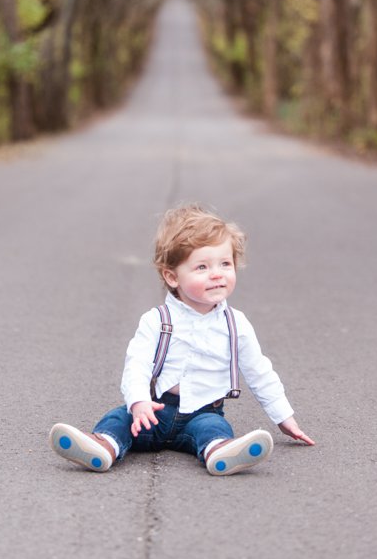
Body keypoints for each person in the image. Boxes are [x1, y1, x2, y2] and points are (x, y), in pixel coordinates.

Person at [49, 203, 315, 477]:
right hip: (155, 410)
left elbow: (260, 371)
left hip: (203, 412)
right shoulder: (157, 320)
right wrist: (139, 402)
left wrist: (284, 418)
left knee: (214, 430)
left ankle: (219, 451)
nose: (216, 274)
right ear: (172, 277)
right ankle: (103, 446)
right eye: (202, 267)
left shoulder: (236, 324)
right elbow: (137, 364)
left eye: (225, 264)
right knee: (119, 419)